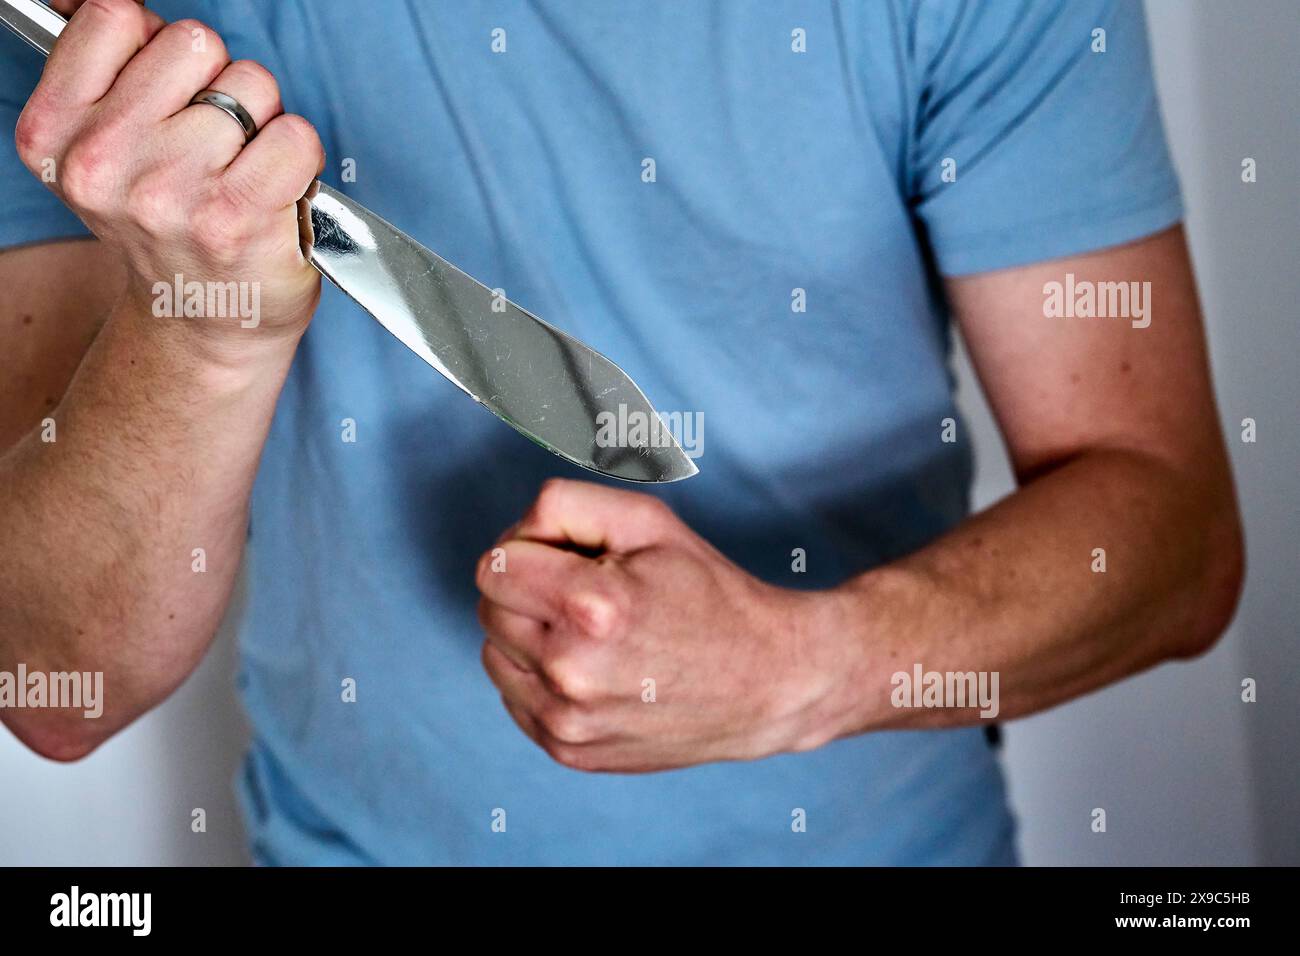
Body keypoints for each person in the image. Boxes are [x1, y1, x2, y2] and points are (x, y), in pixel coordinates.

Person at [0, 0, 1242, 865]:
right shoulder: (95, 50)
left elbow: (1173, 537)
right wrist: (199, 326)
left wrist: (805, 665)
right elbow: (57, 684)